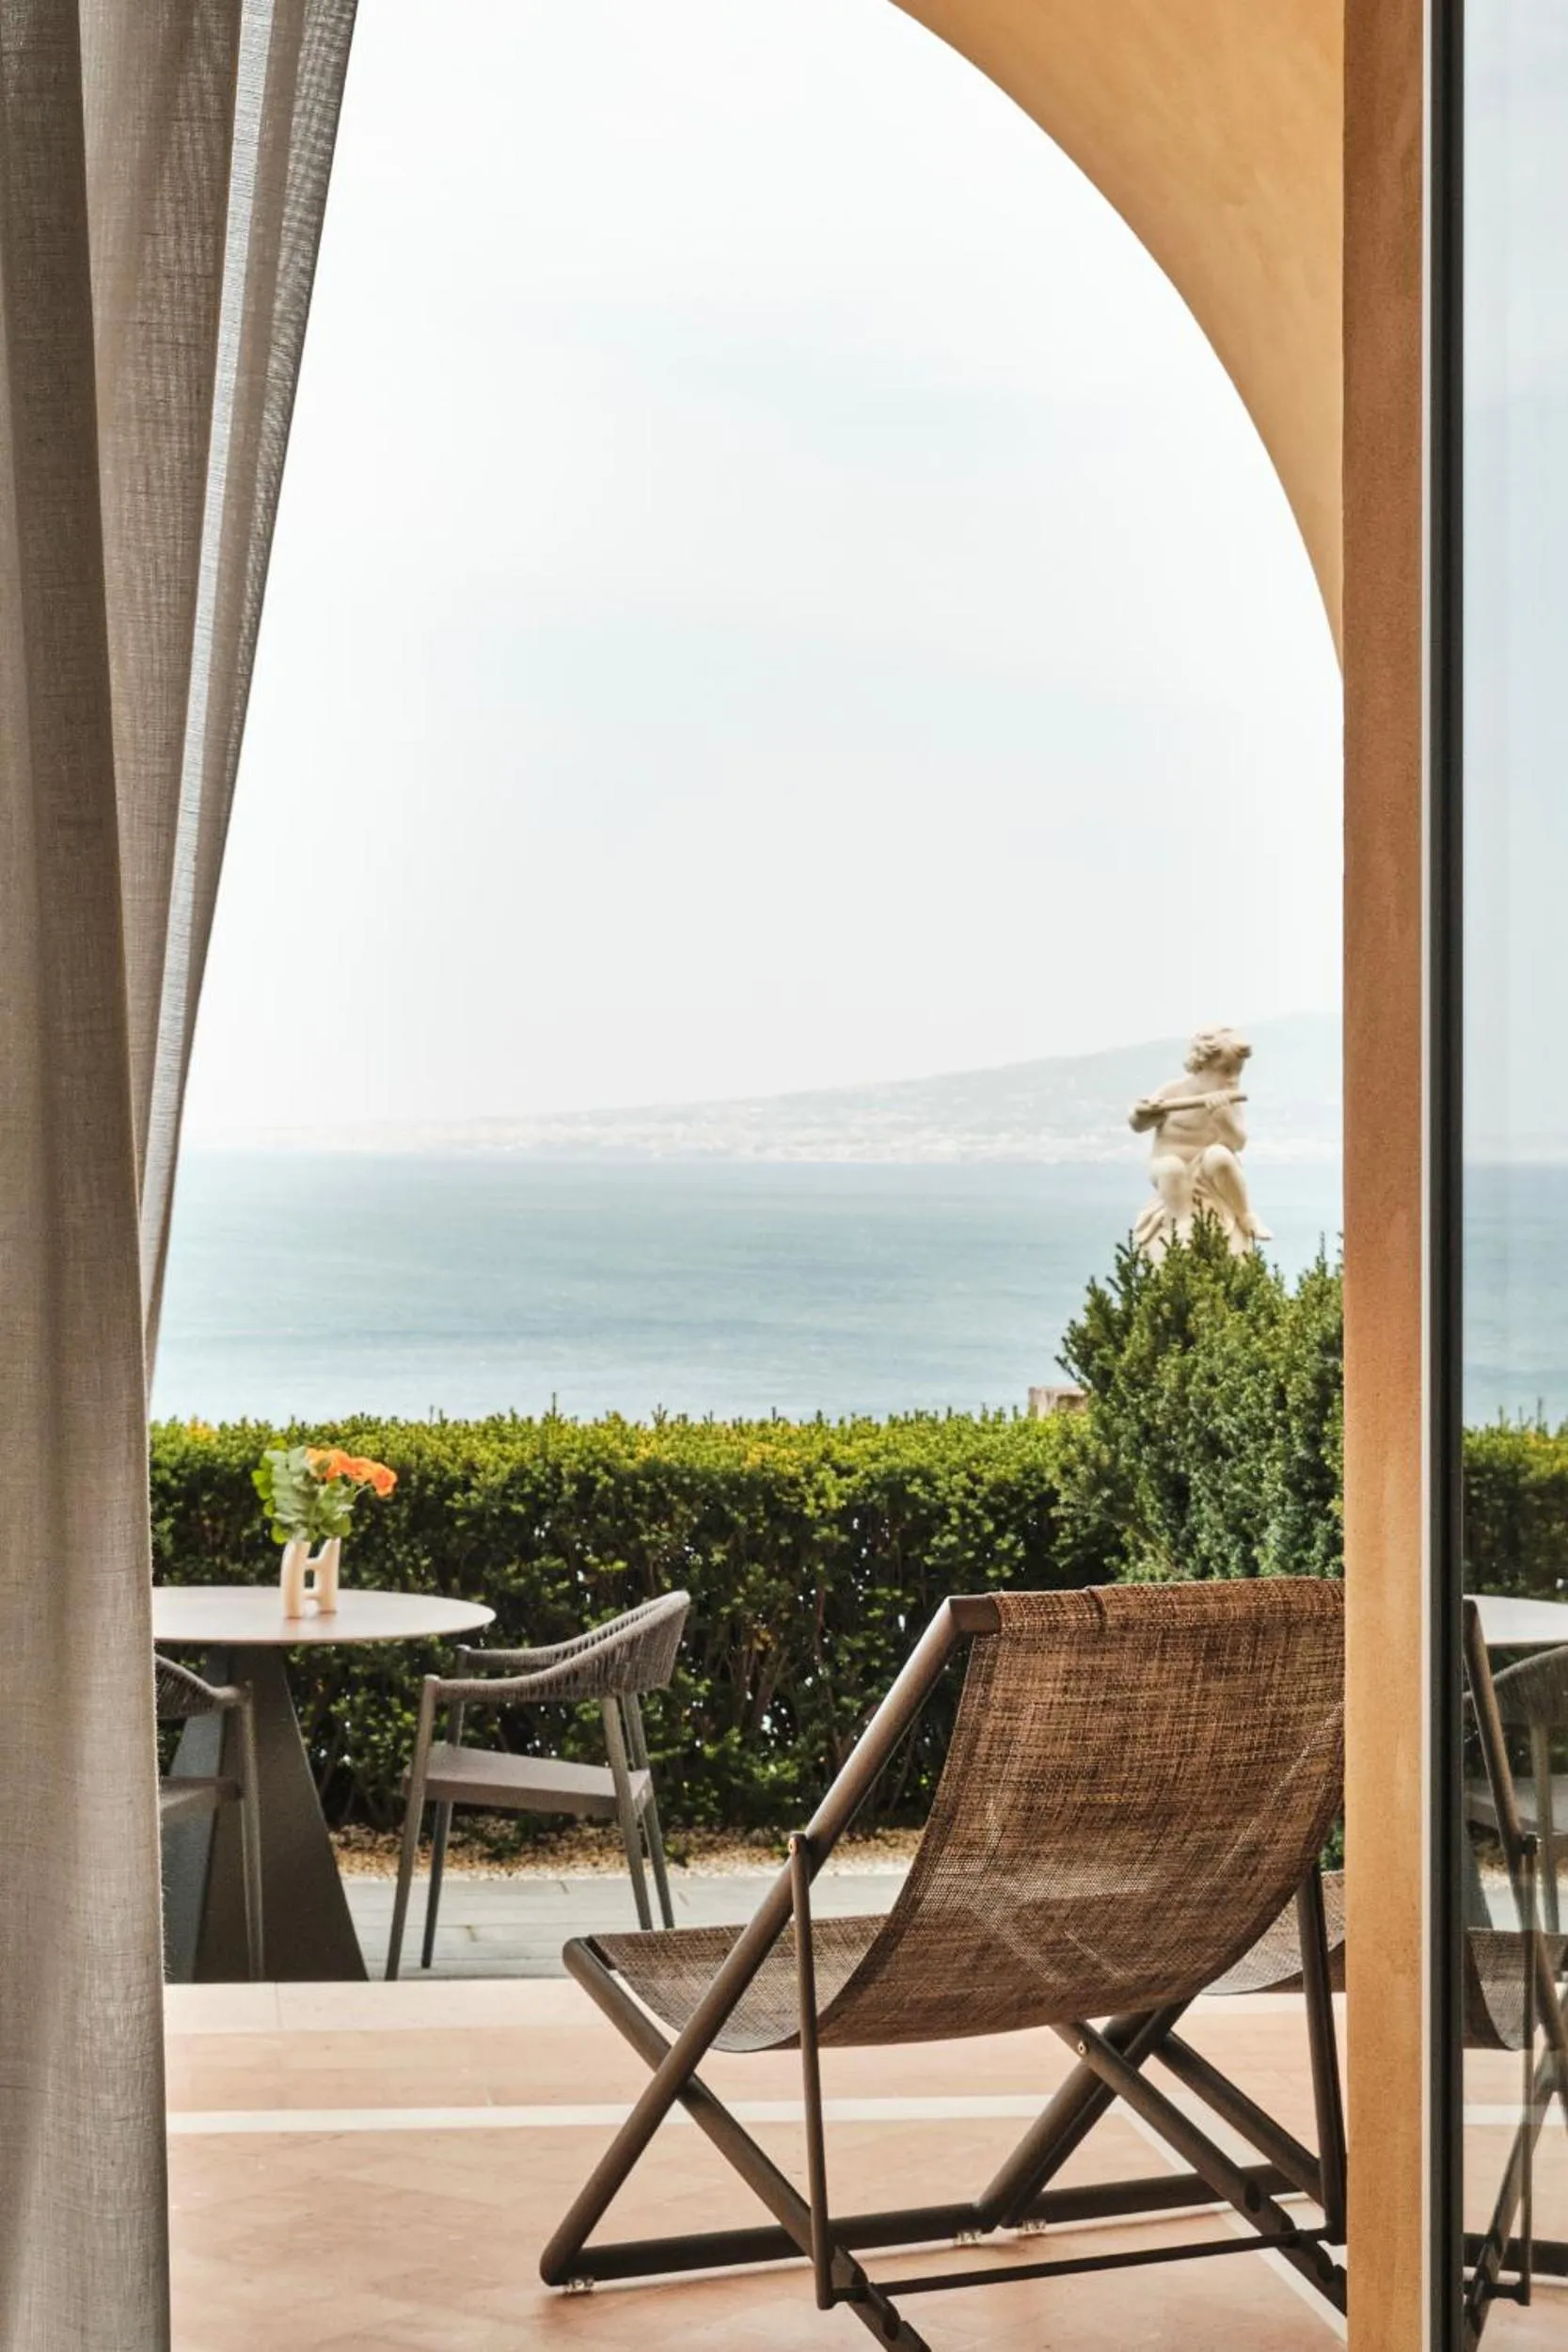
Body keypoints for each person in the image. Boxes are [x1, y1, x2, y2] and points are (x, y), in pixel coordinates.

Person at [1129, 1026, 1273, 1261]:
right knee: (1171, 1168)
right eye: (1225, 1071)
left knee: (1220, 1156)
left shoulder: (1228, 1102)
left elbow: (1238, 1143)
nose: (1233, 1079)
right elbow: (1137, 1124)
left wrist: (1224, 1119)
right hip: (1169, 1168)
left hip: (1206, 1170)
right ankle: (1181, 1220)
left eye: (1238, 1071)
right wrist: (1144, 1113)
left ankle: (1245, 1215)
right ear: (1199, 1067)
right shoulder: (1172, 1092)